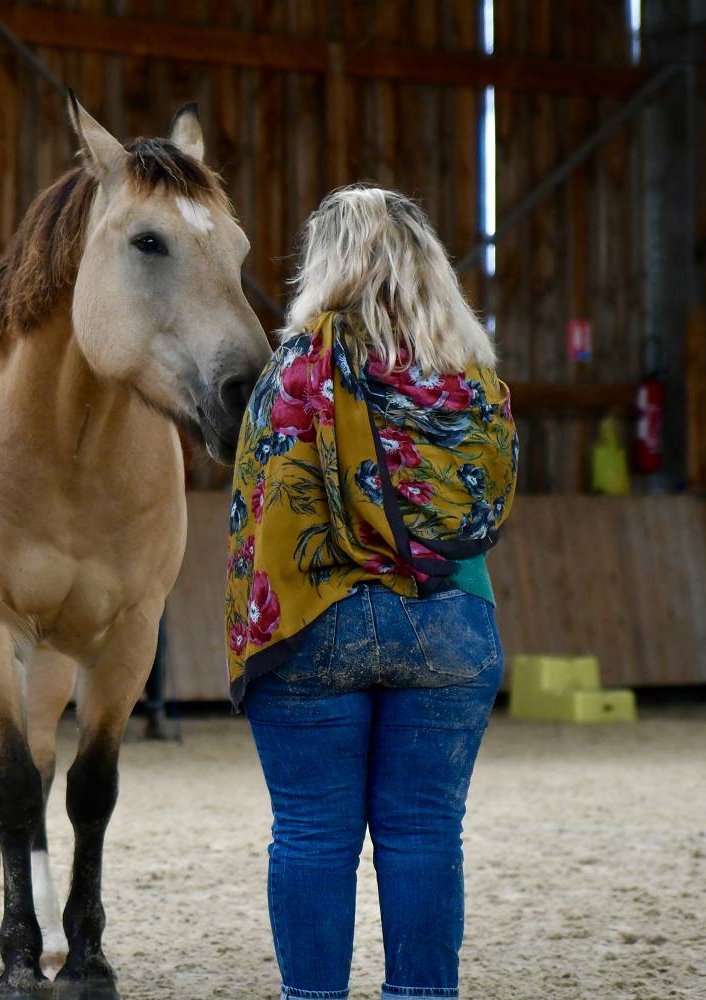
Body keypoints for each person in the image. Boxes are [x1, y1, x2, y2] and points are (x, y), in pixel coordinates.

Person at [223, 184, 518, 1000]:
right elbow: (484, 506)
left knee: (314, 835)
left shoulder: (292, 372)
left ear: (323, 264)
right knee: (425, 835)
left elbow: (259, 515)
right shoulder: (474, 378)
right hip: (449, 624)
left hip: (316, 627)